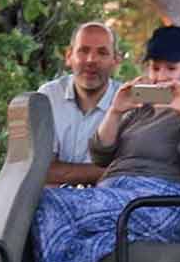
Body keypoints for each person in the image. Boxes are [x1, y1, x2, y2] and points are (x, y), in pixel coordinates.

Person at [30, 25, 180, 262]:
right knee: (88, 244)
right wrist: (116, 110)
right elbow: (101, 154)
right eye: (155, 68)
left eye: (171, 68)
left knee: (46, 201)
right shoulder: (139, 111)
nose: (161, 77)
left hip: (161, 203)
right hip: (119, 198)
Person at [37, 22, 123, 186]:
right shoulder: (48, 96)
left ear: (116, 60)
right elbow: (41, 171)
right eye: (83, 50)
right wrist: (107, 171)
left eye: (102, 53)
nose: (91, 60)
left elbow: (131, 174)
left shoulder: (128, 103)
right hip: (52, 203)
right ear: (69, 56)